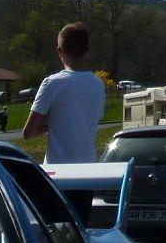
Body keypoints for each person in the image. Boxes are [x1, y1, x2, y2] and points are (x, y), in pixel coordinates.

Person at [23, 23, 106, 164]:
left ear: (60, 51)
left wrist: (51, 125)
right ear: (87, 51)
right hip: (89, 168)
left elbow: (28, 133)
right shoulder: (98, 84)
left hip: (58, 171)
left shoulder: (52, 83)